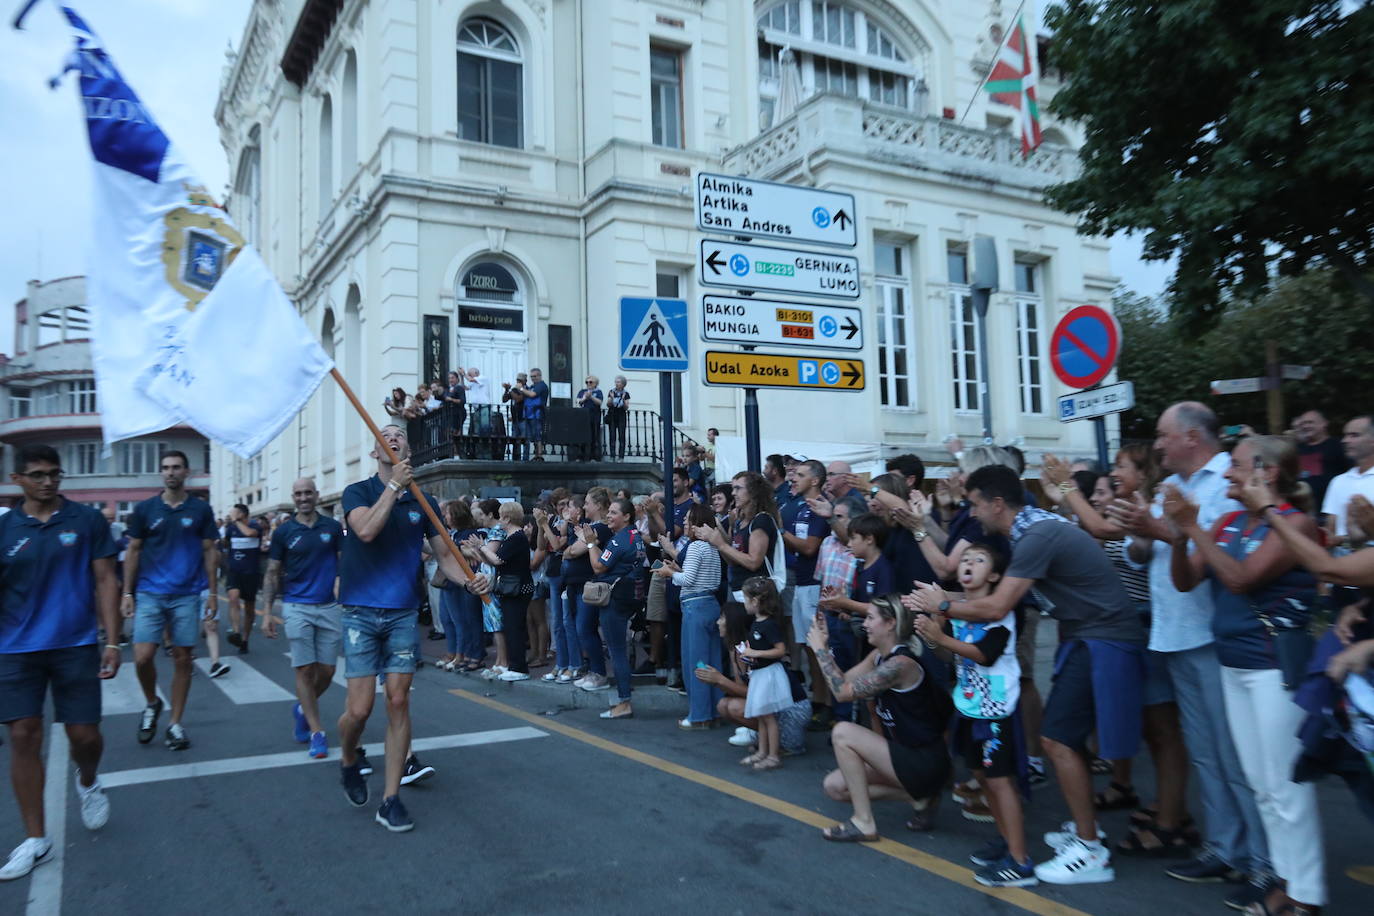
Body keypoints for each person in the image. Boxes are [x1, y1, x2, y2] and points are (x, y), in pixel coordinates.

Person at [908, 464, 1146, 885]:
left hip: (1102, 636)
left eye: (976, 505)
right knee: (1061, 738)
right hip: (1089, 634)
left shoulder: (1035, 535)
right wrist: (943, 598)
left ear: (997, 504)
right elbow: (986, 594)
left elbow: (997, 607)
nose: (973, 514)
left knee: (1056, 739)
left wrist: (941, 606)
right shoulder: (1029, 530)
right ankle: (1085, 830)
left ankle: (1090, 850)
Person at [1109, 402, 1270, 904]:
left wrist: (1155, 527)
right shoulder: (1174, 487)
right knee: (1206, 754)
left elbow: (1202, 553)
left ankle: (1262, 863)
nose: (1157, 445)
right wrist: (1138, 525)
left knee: (1235, 756)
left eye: (1163, 435)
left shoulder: (1225, 482)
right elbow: (1145, 553)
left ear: (1193, 438)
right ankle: (1224, 848)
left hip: (1211, 636)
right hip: (1176, 634)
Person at [1163, 436, 1327, 916]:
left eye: (1234, 467)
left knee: (1286, 786)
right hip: (1235, 664)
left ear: (1267, 473)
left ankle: (1306, 894)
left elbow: (1240, 578)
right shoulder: (1230, 521)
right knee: (1262, 784)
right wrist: (1179, 535)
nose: (1228, 475)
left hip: (1273, 666)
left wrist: (1194, 527)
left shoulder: (1296, 525)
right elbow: (1185, 579)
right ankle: (1285, 880)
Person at [1041, 446, 1194, 857]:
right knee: (1149, 727)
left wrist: (1065, 487)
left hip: (1143, 623)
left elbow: (1120, 540)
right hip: (1136, 626)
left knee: (1164, 731)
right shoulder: (1136, 509)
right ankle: (1165, 807)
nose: (1114, 472)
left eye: (1123, 466)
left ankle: (1171, 820)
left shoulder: (1146, 509)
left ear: (1143, 473)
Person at [335, 424, 486, 832]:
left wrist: (469, 578)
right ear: (375, 451)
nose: (393, 437)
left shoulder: (425, 502)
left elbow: (444, 556)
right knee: (359, 710)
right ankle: (349, 757)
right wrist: (394, 489)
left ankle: (390, 799)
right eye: (385, 434)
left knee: (399, 701)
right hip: (360, 612)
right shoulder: (358, 492)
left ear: (408, 449)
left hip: (402, 612)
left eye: (400, 434)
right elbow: (365, 530)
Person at [0, 445, 120, 881]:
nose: (48, 481)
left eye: (54, 473)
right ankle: (36, 839)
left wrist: (113, 641)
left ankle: (87, 780)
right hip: (15, 649)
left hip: (76, 644)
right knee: (22, 734)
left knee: (85, 737)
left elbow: (106, 578)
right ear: (18, 480)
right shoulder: (5, 528)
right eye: (37, 474)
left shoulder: (86, 520)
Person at [914, 543, 1031, 886]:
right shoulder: (960, 611)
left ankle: (1020, 861)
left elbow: (984, 654)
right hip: (970, 707)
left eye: (979, 560)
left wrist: (942, 636)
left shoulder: (999, 613)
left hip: (996, 710)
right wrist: (933, 626)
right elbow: (947, 655)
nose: (968, 564)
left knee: (999, 781)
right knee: (981, 778)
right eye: (965, 559)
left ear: (995, 576)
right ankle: (1008, 841)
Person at [809, 593, 953, 843]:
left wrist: (819, 649)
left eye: (870, 618)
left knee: (842, 732)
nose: (864, 624)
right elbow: (843, 682)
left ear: (890, 624)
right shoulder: (877, 656)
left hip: (924, 760)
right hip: (902, 755)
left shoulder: (901, 664)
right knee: (834, 787)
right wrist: (826, 646)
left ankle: (864, 823)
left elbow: (842, 694)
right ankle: (919, 797)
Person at [122, 450, 219, 752]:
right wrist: (127, 592)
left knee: (182, 659)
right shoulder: (145, 510)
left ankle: (175, 723)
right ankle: (152, 702)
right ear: (160, 473)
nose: (170, 472)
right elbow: (134, 551)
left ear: (186, 472)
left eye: (176, 467)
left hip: (187, 595)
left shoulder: (201, 510)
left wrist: (212, 592)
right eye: (165, 468)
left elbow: (209, 551)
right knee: (142, 656)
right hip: (150, 593)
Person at [259, 478, 343, 759]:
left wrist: (342, 583)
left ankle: (301, 708)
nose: (303, 497)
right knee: (305, 670)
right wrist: (267, 613)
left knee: (328, 672)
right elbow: (272, 572)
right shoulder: (284, 532)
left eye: (308, 492)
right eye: (298, 493)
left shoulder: (331, 527)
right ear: (293, 498)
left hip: (329, 606)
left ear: (317, 496)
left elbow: (344, 561)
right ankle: (317, 732)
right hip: (296, 606)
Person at [703, 602, 811, 756]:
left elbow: (755, 692)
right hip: (773, 705)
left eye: (722, 618)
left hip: (791, 708)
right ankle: (764, 740)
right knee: (723, 705)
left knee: (734, 707)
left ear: (733, 622)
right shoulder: (735, 648)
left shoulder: (750, 650)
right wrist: (716, 680)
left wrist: (720, 680)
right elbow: (742, 689)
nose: (718, 622)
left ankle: (777, 744)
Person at [657, 504, 723, 728]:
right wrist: (676, 571)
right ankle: (714, 711)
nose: (684, 523)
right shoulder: (713, 548)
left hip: (695, 607)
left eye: (688, 520)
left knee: (695, 663)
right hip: (711, 605)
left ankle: (699, 715)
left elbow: (689, 580)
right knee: (712, 662)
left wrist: (669, 574)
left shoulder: (695, 547)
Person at [583, 496, 644, 718]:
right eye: (608, 512)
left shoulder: (620, 540)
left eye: (614, 512)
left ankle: (623, 701)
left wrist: (590, 543)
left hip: (616, 598)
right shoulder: (635, 536)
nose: (609, 516)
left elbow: (598, 566)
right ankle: (624, 693)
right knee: (620, 648)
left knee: (616, 650)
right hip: (630, 596)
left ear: (626, 516)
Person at [784, 460, 830, 719]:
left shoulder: (819, 509)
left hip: (815, 585)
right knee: (809, 649)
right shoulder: (803, 508)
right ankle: (819, 701)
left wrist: (781, 532)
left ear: (814, 480)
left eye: (800, 475)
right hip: (802, 582)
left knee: (818, 648)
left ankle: (828, 704)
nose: (794, 478)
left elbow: (810, 547)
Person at [468, 502, 534, 681]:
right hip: (510, 588)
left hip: (517, 589)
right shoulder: (510, 537)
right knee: (512, 627)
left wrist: (481, 547)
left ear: (507, 518)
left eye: (501, 516)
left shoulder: (516, 537)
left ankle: (519, 668)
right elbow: (490, 561)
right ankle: (514, 665)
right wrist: (480, 549)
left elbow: (497, 560)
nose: (499, 520)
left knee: (515, 627)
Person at [699, 472, 780, 609]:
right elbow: (733, 561)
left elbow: (754, 562)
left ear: (753, 491)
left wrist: (721, 544)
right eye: (733, 488)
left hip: (756, 596)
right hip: (738, 590)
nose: (733, 493)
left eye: (738, 488)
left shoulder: (761, 520)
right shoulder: (739, 522)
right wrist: (717, 542)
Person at [734, 577, 790, 770]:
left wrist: (755, 653)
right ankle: (762, 751)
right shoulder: (756, 623)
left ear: (755, 601)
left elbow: (781, 650)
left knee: (768, 717)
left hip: (768, 675)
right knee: (760, 715)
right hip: (759, 673)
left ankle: (773, 755)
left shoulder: (769, 624)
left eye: (745, 598)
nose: (743, 602)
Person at [566, 489, 612, 689]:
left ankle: (599, 673)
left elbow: (574, 551)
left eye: (587, 503)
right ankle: (593, 670)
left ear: (599, 505)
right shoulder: (590, 527)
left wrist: (572, 549)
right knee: (581, 628)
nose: (584, 507)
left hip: (590, 584)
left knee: (585, 628)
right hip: (578, 584)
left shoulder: (600, 528)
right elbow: (568, 551)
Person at [1321, 413, 1374, 546]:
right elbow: (1330, 529)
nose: (1345, 440)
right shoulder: (1338, 481)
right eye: (1345, 435)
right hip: (1340, 559)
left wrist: (1344, 539)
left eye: (1354, 435)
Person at [222, 503, 264, 656]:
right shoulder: (231, 528)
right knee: (233, 598)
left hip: (251, 573)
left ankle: (245, 640)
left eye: (234, 513)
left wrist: (237, 521)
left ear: (242, 514)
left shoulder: (255, 526)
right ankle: (236, 632)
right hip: (235, 571)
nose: (231, 515)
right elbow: (226, 542)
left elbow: (250, 534)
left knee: (249, 607)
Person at [1293, 409, 1349, 511]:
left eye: (1310, 422)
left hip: (1331, 509)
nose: (1305, 426)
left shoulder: (1338, 445)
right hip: (1302, 509)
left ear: (1324, 423)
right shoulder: (1296, 449)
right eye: (1303, 424)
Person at [574, 375, 604, 461]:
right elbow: (578, 401)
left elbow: (599, 402)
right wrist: (585, 398)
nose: (588, 384)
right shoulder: (582, 391)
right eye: (587, 382)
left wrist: (591, 397)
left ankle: (593, 457)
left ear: (596, 383)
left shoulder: (598, 392)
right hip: (583, 417)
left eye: (590, 382)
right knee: (582, 437)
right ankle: (580, 456)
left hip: (594, 417)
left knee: (594, 438)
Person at [524, 368, 549, 461]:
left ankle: (539, 455)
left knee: (538, 435)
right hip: (529, 414)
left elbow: (532, 394)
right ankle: (535, 454)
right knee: (533, 436)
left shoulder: (541, 386)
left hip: (538, 414)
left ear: (539, 376)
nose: (533, 378)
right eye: (531, 376)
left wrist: (521, 389)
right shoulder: (532, 386)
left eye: (534, 376)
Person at [604, 376, 630, 460]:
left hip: (621, 415)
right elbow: (608, 405)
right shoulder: (611, 392)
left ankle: (621, 457)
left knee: (621, 436)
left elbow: (626, 407)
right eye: (616, 382)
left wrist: (622, 400)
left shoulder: (625, 393)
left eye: (618, 382)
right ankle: (612, 456)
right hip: (612, 414)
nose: (616, 383)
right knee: (612, 436)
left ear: (623, 384)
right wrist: (611, 398)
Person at [465, 367, 493, 436]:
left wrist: (463, 374)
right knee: (477, 430)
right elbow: (466, 388)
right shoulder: (473, 382)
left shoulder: (482, 378)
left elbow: (470, 380)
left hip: (484, 407)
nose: (468, 375)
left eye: (470, 374)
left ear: (476, 373)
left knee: (485, 427)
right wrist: (461, 376)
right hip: (476, 408)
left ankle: (486, 444)